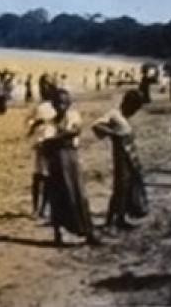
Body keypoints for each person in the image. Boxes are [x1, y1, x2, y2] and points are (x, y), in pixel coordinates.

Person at [38, 89, 99, 245]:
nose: (61, 105)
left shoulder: (72, 117)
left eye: (64, 102)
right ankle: (59, 234)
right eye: (58, 102)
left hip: (71, 159)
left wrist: (57, 138)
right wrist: (62, 137)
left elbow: (75, 131)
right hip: (56, 162)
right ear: (53, 104)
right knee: (57, 196)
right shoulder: (49, 123)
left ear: (69, 103)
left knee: (78, 194)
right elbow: (44, 144)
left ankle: (88, 232)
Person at [92, 89, 148, 230]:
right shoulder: (114, 114)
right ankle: (110, 221)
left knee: (128, 186)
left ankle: (121, 218)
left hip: (130, 155)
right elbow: (96, 125)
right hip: (121, 156)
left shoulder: (124, 117)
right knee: (120, 187)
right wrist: (113, 134)